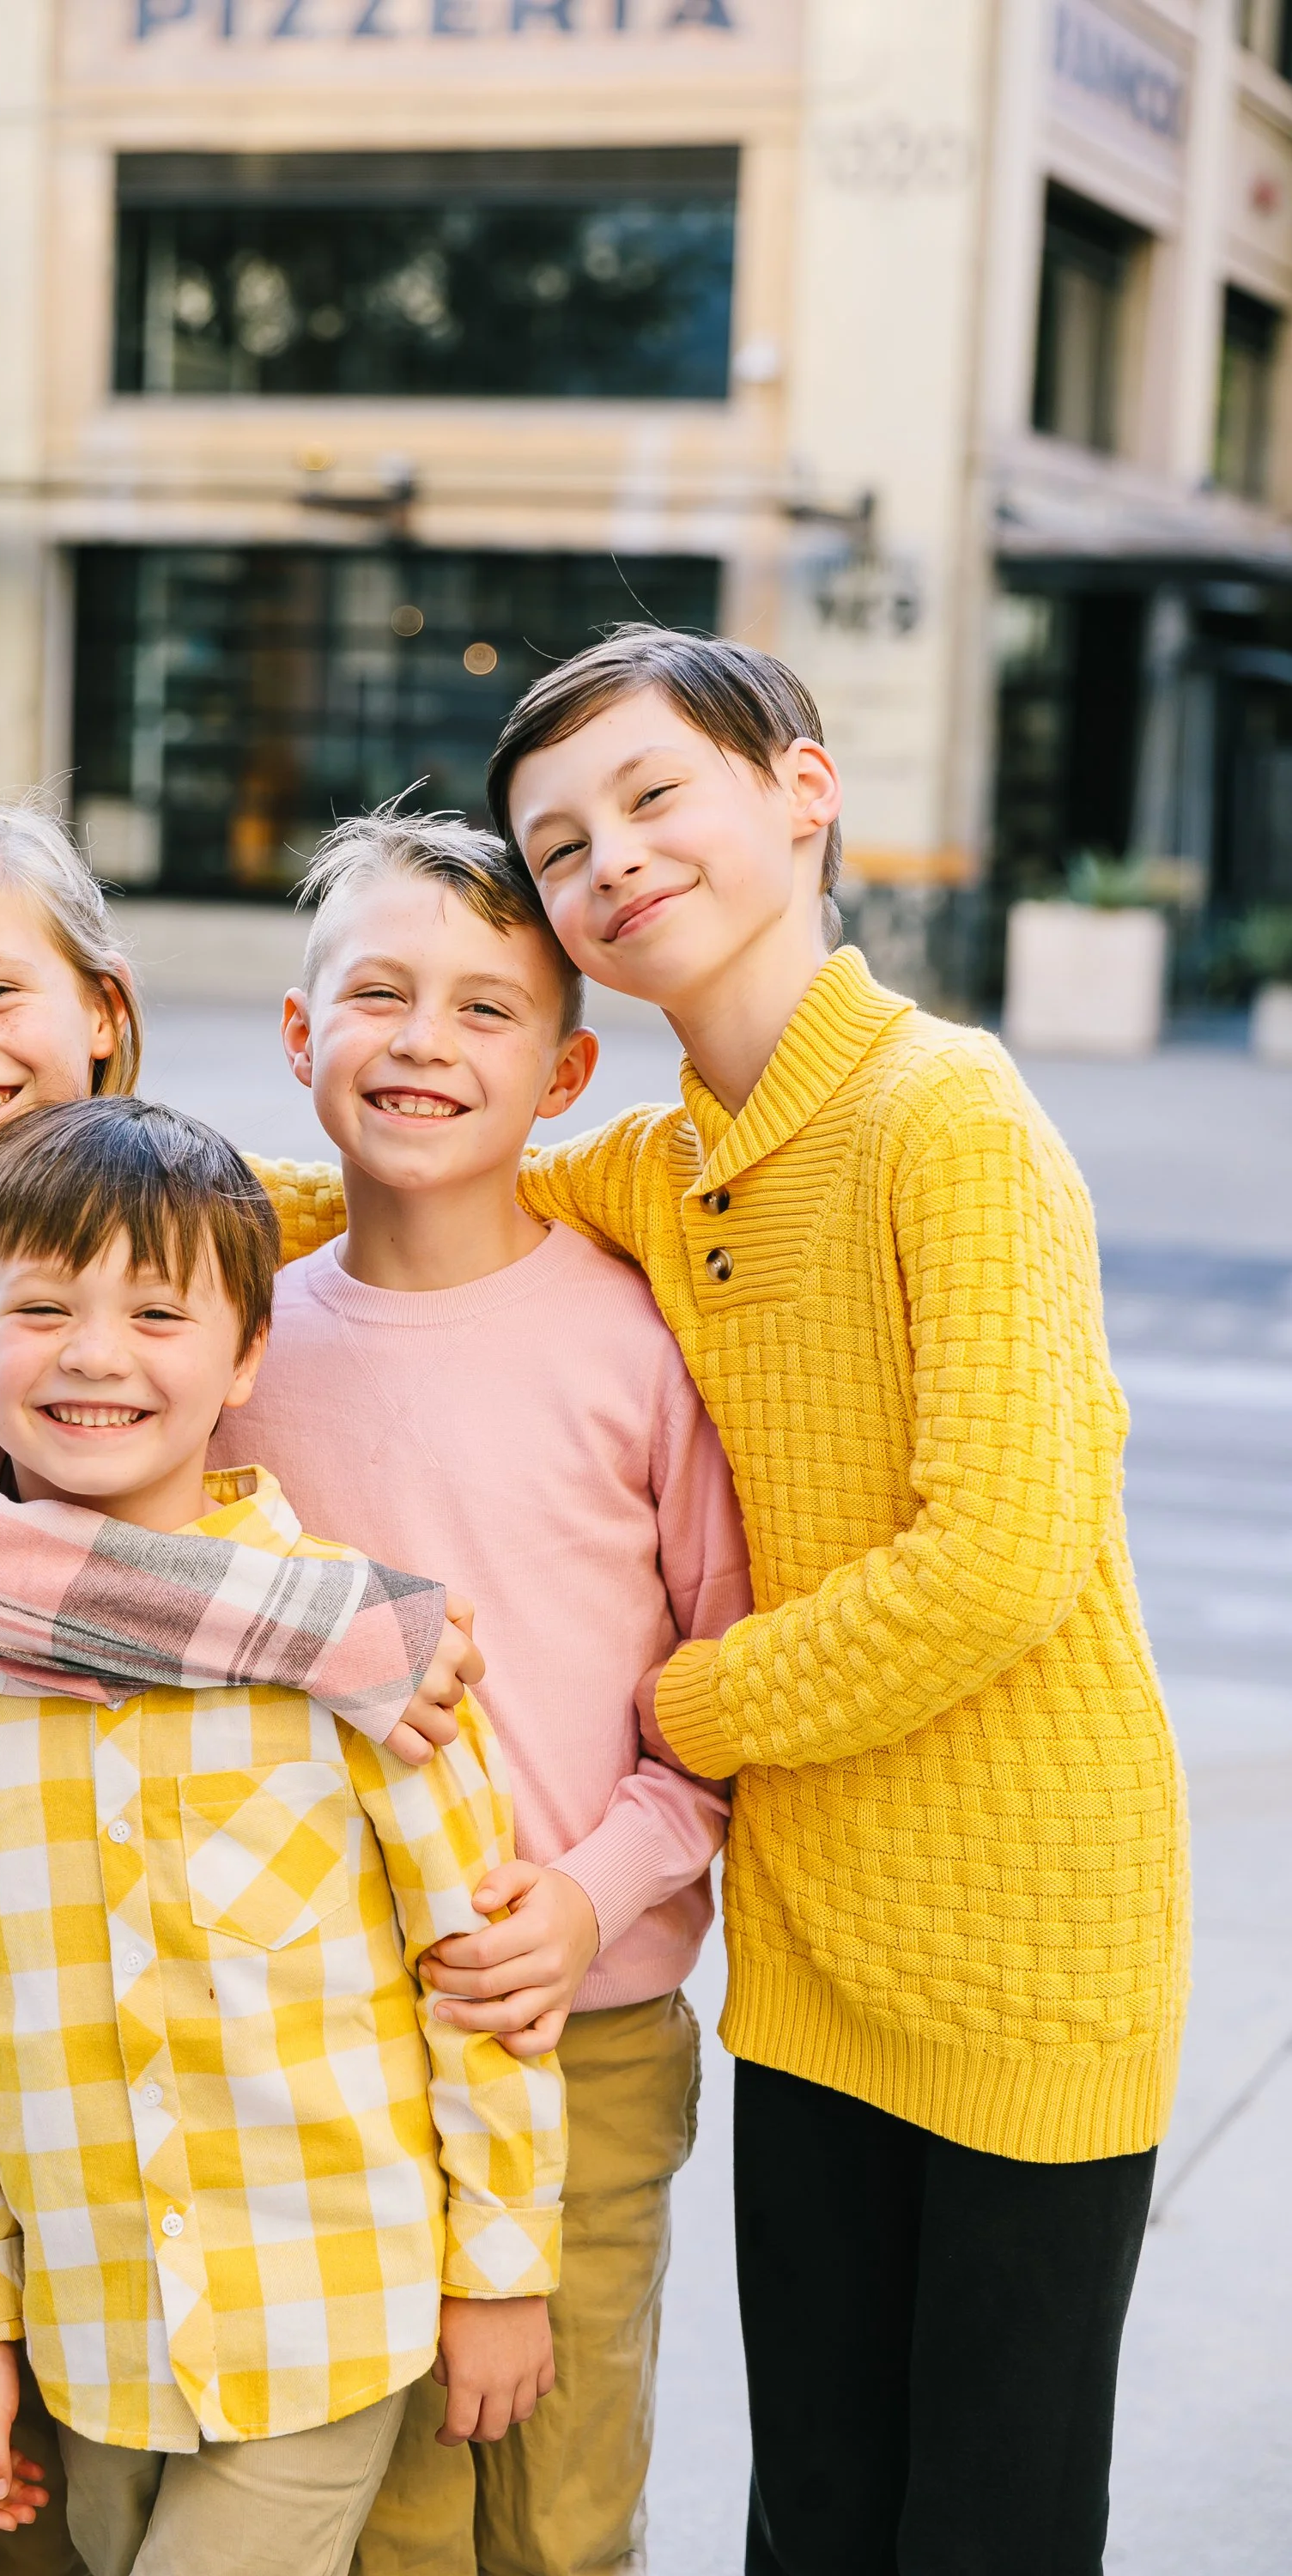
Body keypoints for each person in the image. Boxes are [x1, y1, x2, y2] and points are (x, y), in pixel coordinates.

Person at [0, 804, 480, 2576]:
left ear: (102, 1009)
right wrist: (340, 1627)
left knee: (32, 2523)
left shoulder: (207, 1221)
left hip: (100, 2018)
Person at [477, 627, 1191, 2576]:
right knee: (813, 2517)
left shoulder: (944, 1117)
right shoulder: (662, 1165)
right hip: (807, 1961)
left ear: (801, 790)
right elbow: (412, 1166)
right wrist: (44, 1186)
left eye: (649, 795)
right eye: (555, 847)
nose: (606, 859)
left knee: (985, 2530)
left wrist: (685, 1710)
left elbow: (997, 1562)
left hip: (1031, 1946)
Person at [0, 1093, 566, 2576]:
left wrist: (502, 2266)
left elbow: (475, 1973)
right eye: (42, 1306)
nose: (95, 1354)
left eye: (158, 1311)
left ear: (247, 1353)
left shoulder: (368, 1642)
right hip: (89, 2330)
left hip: (325, 2305)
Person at [206, 809, 751, 2576]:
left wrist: (591, 1892)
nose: (424, 1042)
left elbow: (718, 1696)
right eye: (377, 994)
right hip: (315, 2063)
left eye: (485, 1010)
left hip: (573, 2033)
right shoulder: (235, 1350)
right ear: (302, 1039)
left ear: (566, 1068)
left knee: (553, 2516)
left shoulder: (629, 1339)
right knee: (384, 2526)